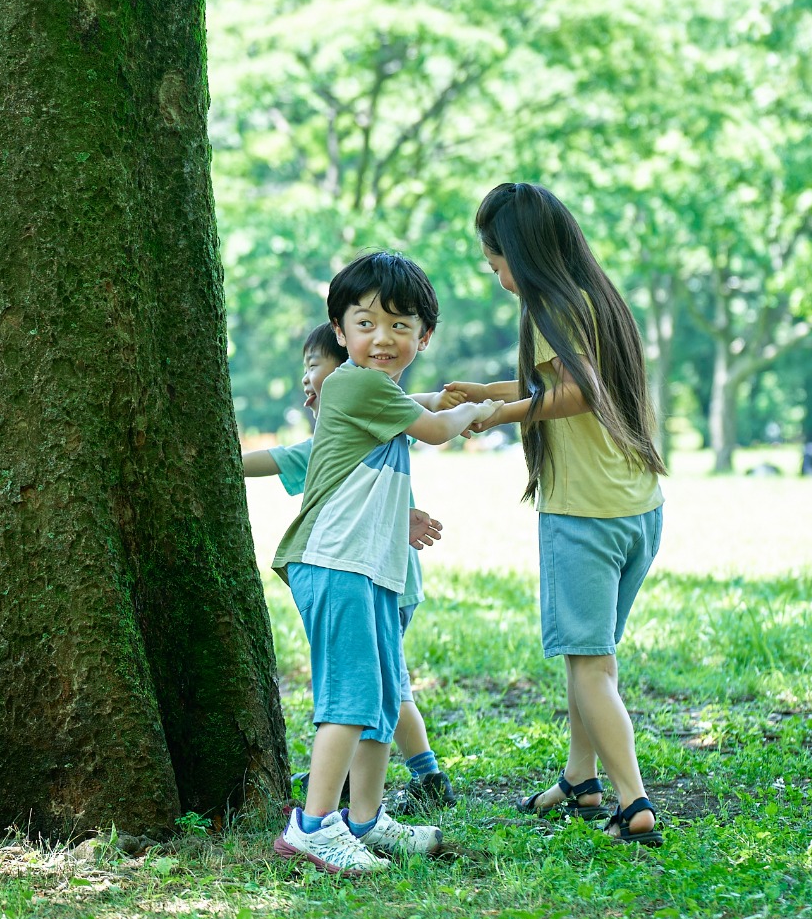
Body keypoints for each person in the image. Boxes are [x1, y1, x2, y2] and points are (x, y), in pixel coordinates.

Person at [442, 182, 667, 846]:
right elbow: (559, 383)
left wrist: (496, 413)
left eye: (496, 263)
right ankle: (580, 780)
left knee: (588, 665)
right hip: (637, 509)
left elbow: (573, 394)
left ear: (520, 253)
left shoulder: (549, 308)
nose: (499, 278)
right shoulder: (597, 300)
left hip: (585, 517)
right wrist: (488, 391)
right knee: (593, 659)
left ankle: (634, 801)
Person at [269, 252, 497, 875]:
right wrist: (472, 412)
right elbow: (435, 429)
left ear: (423, 337)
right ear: (339, 333)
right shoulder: (358, 384)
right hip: (336, 564)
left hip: (367, 565)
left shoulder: (379, 395)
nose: (383, 338)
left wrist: (450, 408)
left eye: (401, 325)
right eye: (365, 323)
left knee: (376, 698)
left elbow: (414, 416)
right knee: (349, 699)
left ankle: (365, 819)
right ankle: (313, 825)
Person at [242, 322, 454, 812]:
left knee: (373, 691)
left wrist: (472, 407)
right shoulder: (358, 419)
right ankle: (352, 807)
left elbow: (426, 414)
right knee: (373, 690)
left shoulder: (359, 405)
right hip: (362, 571)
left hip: (371, 574)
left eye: (314, 366)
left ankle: (348, 808)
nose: (308, 379)